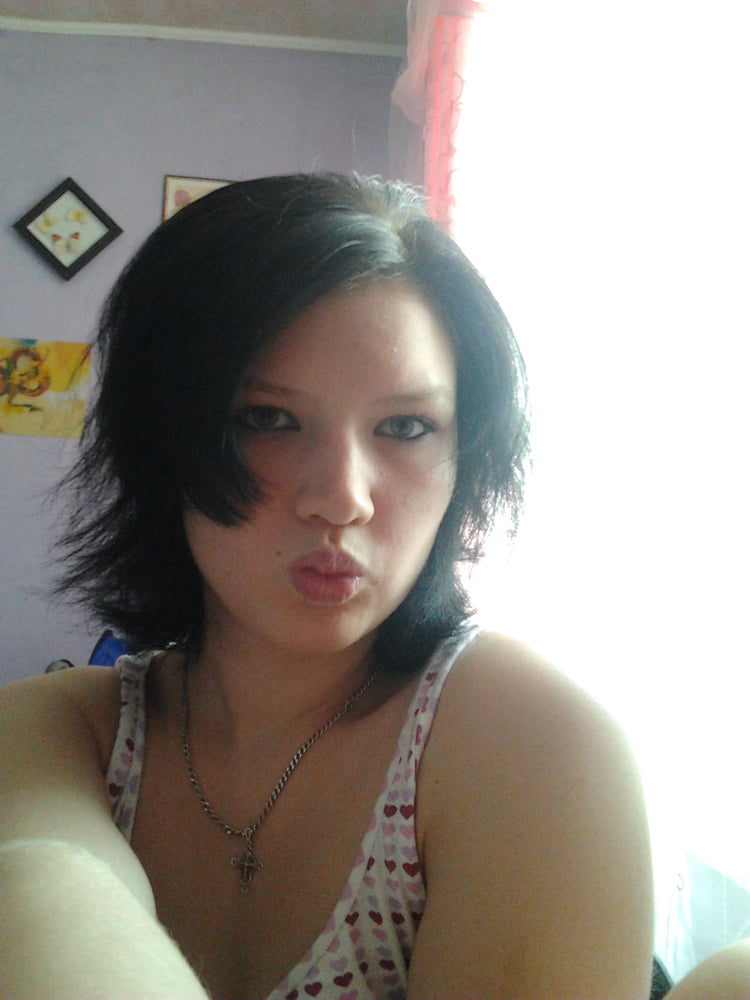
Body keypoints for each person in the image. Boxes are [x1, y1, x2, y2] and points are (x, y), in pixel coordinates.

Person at [0, 173, 654, 999]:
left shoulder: (528, 738)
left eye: (406, 427)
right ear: (164, 441)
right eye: (267, 419)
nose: (344, 498)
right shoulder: (57, 732)